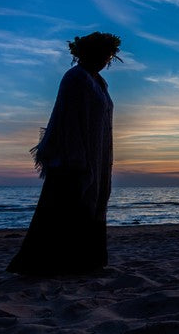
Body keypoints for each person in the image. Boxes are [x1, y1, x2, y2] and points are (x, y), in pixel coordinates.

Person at [7, 32, 121, 276]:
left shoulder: (98, 81)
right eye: (102, 54)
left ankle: (86, 262)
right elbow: (66, 119)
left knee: (91, 205)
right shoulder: (75, 77)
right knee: (64, 208)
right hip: (73, 156)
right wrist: (77, 157)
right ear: (87, 53)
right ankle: (52, 264)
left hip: (96, 154)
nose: (105, 60)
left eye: (108, 56)